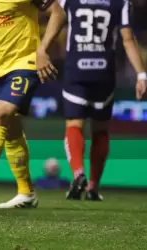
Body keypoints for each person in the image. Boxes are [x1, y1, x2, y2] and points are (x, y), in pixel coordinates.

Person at [0, 0, 66, 209]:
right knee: (11, 130)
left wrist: (42, 50)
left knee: (0, 113)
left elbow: (58, 13)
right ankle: (27, 193)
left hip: (25, 63)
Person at [60, 0, 146, 201]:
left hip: (77, 70)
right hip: (103, 71)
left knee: (74, 125)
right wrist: (141, 74)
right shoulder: (120, 2)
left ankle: (78, 173)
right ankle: (93, 186)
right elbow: (127, 38)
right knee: (100, 129)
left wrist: (43, 47)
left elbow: (55, 13)